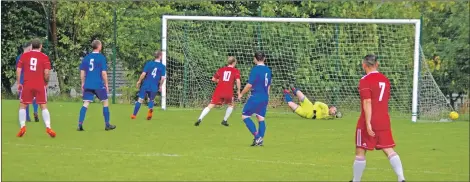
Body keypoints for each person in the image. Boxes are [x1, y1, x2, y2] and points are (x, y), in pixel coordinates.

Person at [351, 55, 405, 182]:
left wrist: (368, 123)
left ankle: (356, 180)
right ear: (377, 64)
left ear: (364, 65)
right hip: (384, 119)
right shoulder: (385, 80)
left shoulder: (365, 80)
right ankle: (401, 177)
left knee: (360, 151)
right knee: (388, 149)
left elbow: (367, 102)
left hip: (368, 120)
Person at [16, 38, 56, 137]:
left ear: (31, 46)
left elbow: (18, 69)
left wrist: (18, 83)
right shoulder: (44, 57)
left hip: (27, 84)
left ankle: (22, 127)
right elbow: (46, 73)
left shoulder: (24, 56)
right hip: (39, 84)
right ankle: (48, 127)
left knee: (23, 105)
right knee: (43, 106)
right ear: (41, 46)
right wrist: (46, 82)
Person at [77, 40, 116, 131]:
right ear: (99, 46)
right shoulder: (101, 58)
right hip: (98, 84)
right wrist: (106, 84)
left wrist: (83, 83)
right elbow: (103, 73)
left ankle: (80, 124)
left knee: (86, 103)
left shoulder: (86, 57)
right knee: (105, 102)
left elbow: (82, 72)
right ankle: (107, 125)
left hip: (88, 84)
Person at [195, 56, 241, 127]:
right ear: (234, 62)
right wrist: (238, 91)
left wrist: (220, 81)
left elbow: (213, 79)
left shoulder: (221, 69)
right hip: (228, 91)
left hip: (219, 90)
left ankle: (200, 118)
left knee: (211, 105)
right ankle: (224, 120)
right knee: (231, 105)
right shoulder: (235, 71)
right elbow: (238, 81)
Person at [238, 52, 272, 146]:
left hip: (256, 96)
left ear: (255, 59)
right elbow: (269, 85)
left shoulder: (255, 70)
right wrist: (266, 97)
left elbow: (249, 85)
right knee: (260, 117)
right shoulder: (268, 70)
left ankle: (257, 138)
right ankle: (259, 140)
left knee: (245, 116)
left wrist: (241, 94)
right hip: (265, 97)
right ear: (264, 58)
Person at [131, 50, 166, 120]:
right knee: (151, 100)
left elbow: (143, 74)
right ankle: (150, 110)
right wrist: (160, 86)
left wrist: (139, 81)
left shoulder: (149, 63)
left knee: (140, 99)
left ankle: (134, 115)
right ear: (160, 56)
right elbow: (163, 78)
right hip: (154, 86)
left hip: (146, 84)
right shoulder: (162, 66)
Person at [16, 42, 40, 122]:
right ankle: (35, 111)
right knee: (34, 97)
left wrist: (18, 82)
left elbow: (18, 70)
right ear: (29, 48)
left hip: (23, 80)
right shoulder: (32, 57)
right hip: (31, 79)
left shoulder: (19, 57)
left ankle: (27, 117)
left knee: (24, 99)